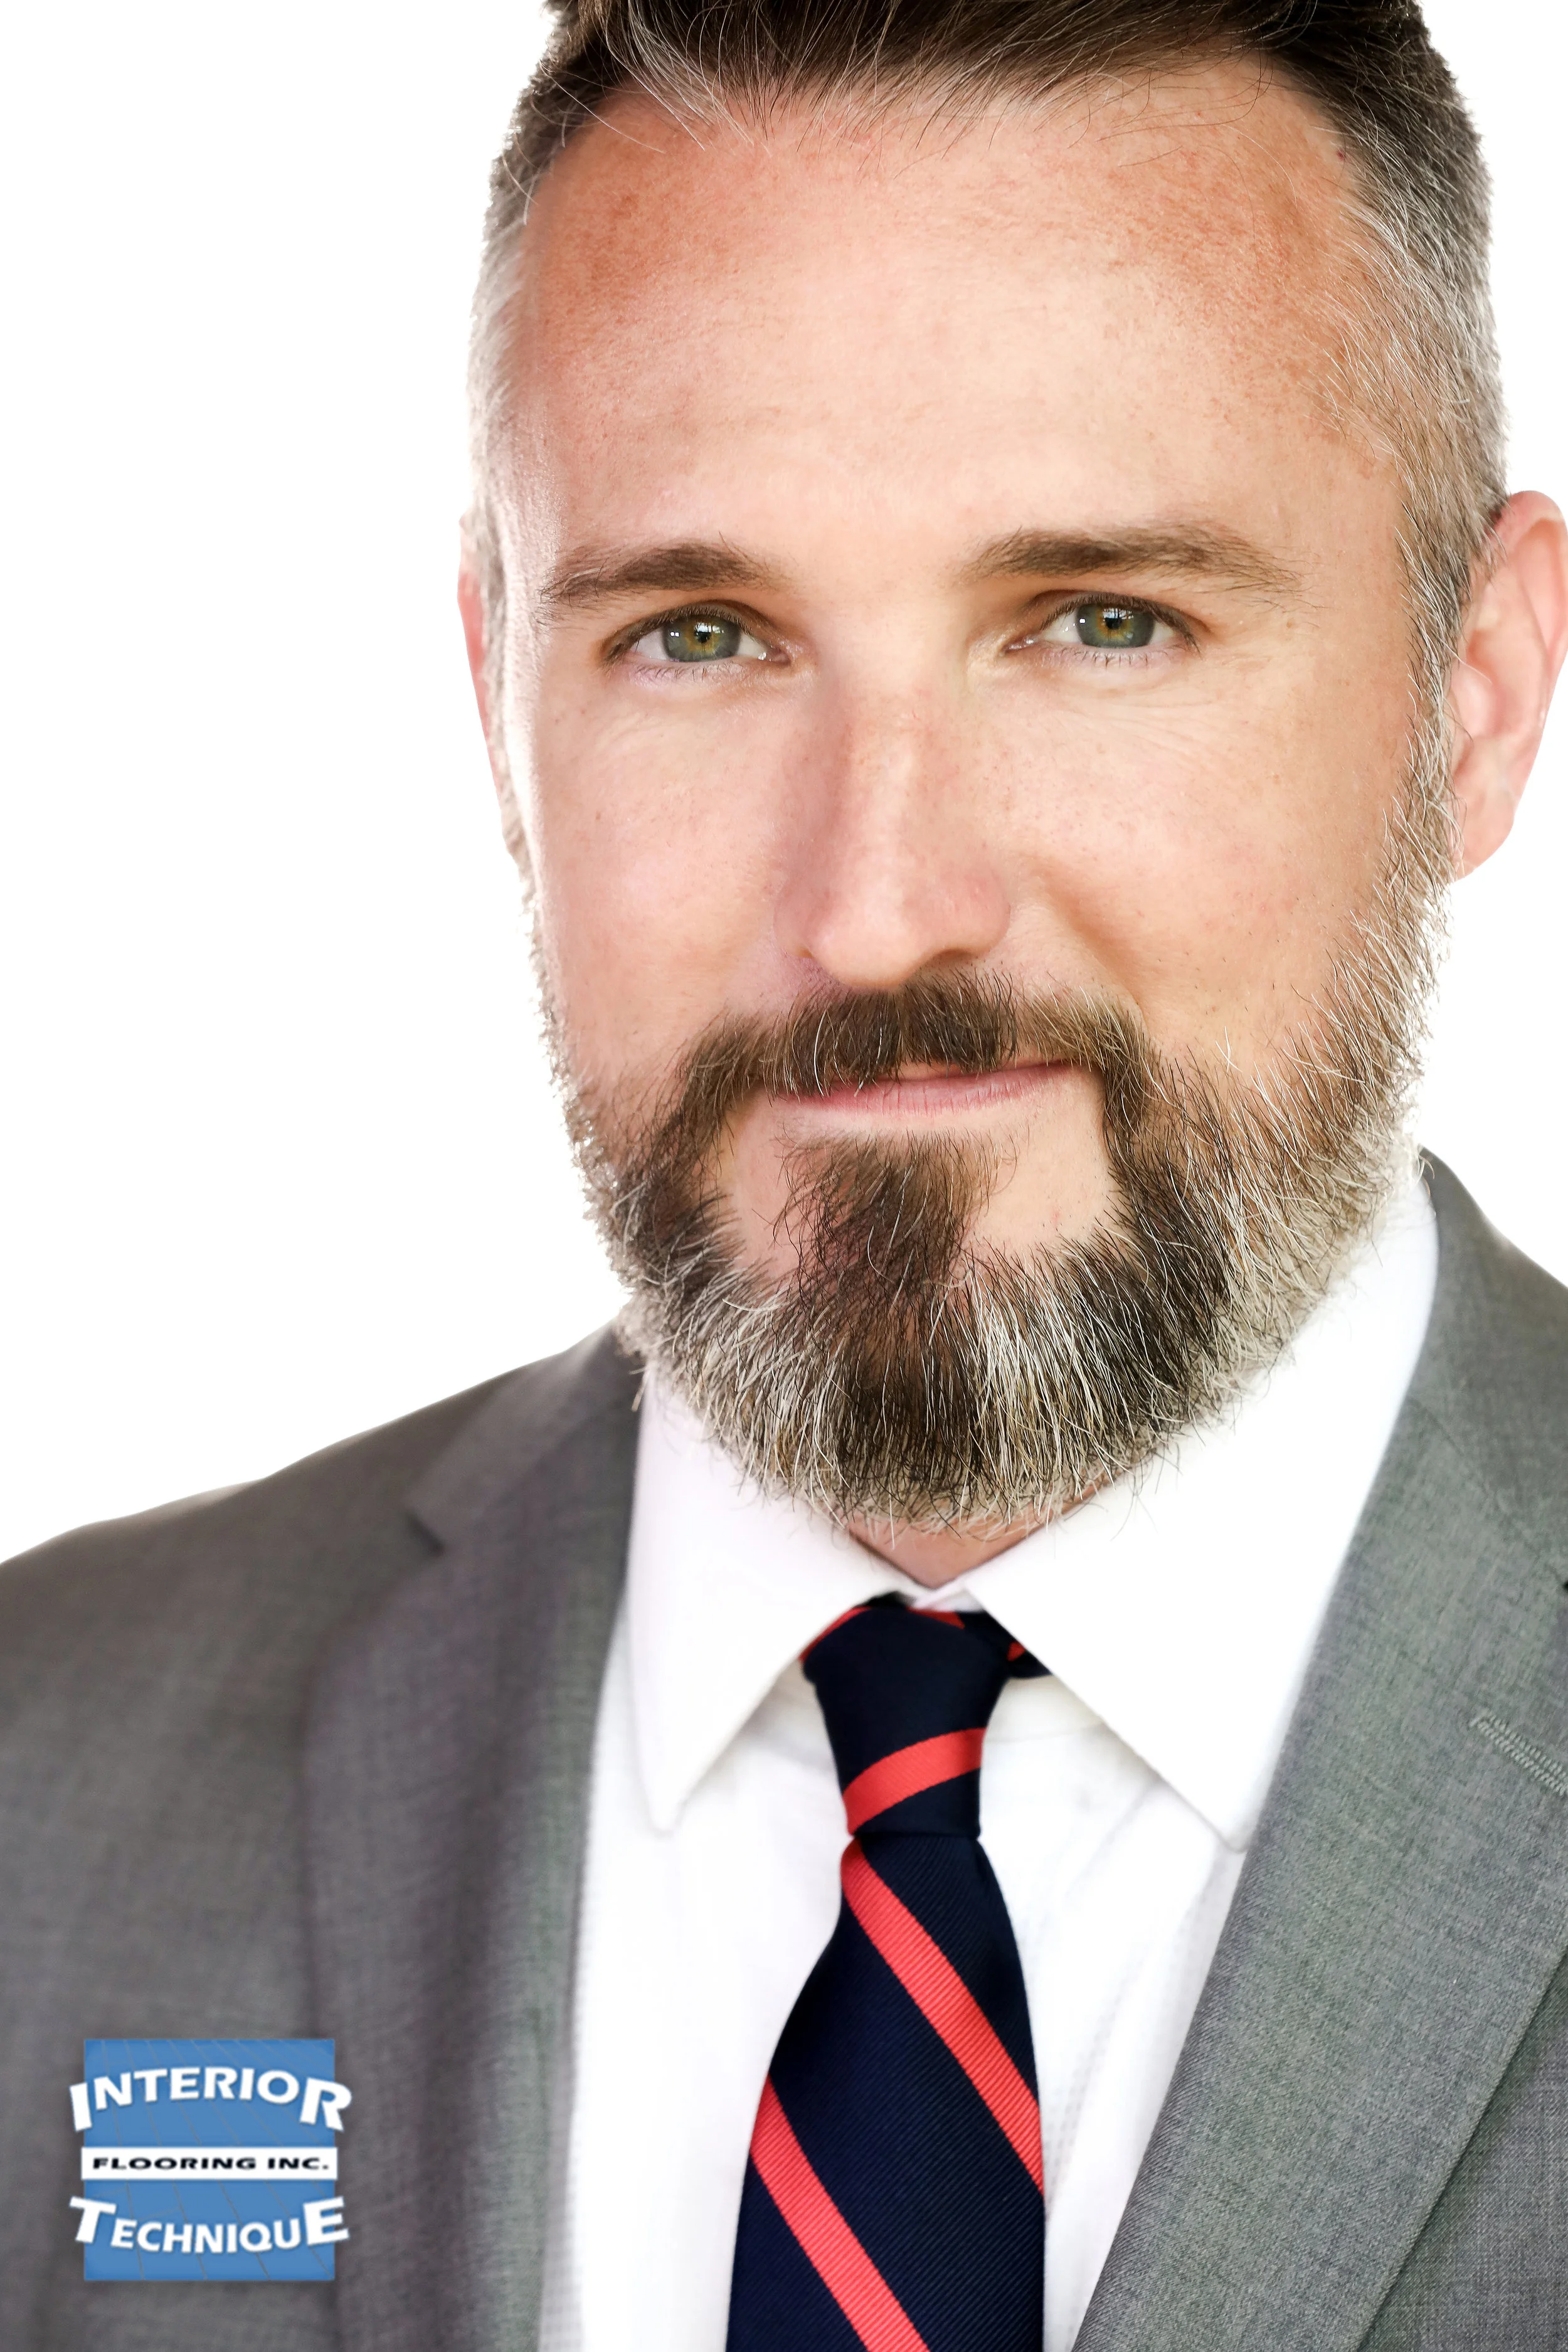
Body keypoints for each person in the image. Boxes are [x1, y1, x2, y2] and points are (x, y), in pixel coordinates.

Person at [4, 0, 1567, 2344]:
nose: (874, 902)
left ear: (1476, 688)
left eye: (1099, 623)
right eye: (703, 636)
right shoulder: (55, 1766)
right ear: (497, 712)